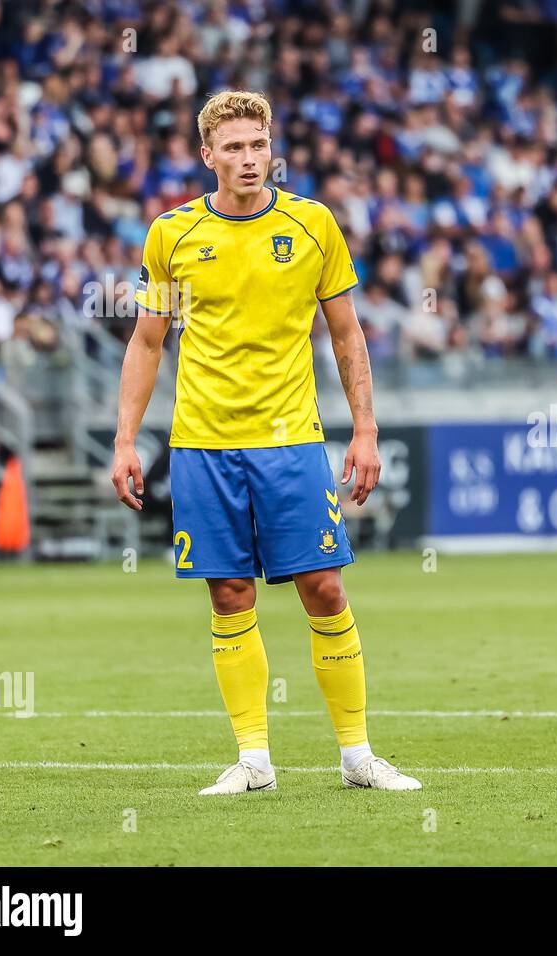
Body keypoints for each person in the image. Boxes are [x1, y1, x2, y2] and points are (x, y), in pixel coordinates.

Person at [110, 91, 420, 795]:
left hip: (291, 442)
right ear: (208, 155)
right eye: (235, 148)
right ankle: (254, 760)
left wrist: (366, 429)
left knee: (324, 586)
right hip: (203, 445)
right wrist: (126, 440)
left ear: (271, 148)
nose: (249, 159)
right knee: (227, 595)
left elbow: (347, 334)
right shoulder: (172, 234)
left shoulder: (312, 226)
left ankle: (357, 756)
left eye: (258, 145)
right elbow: (147, 341)